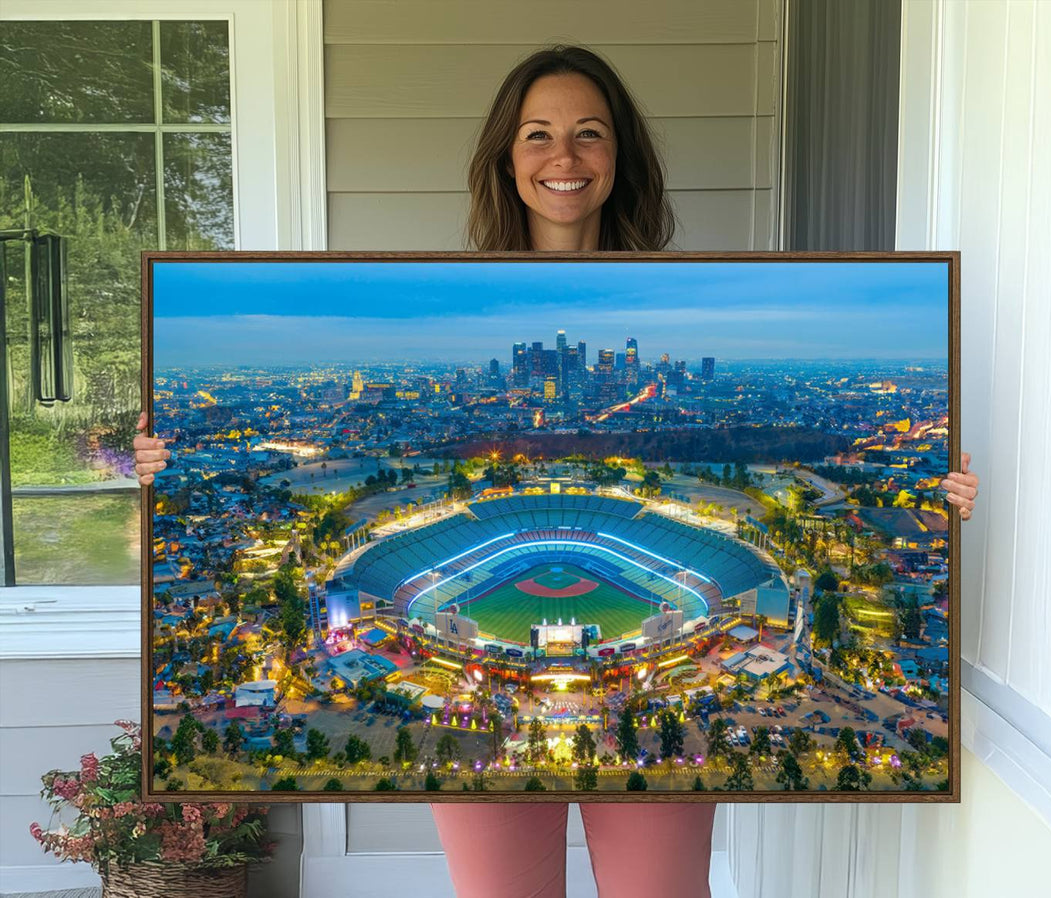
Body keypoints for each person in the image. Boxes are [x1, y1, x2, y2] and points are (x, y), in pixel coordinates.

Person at [134, 45, 980, 898]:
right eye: (538, 134)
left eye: (589, 134)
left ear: (620, 158)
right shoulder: (471, 320)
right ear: (507, 157)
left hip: (638, 721)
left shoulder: (670, 307)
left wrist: (935, 502)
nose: (564, 157)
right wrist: (161, 465)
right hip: (508, 726)